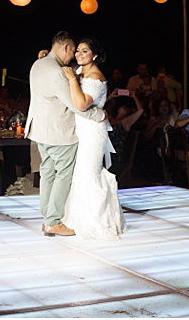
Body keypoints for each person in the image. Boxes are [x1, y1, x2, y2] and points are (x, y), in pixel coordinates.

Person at [27, 32, 107, 237]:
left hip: (41, 131)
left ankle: (47, 218)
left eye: (82, 51)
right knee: (62, 175)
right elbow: (77, 106)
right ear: (64, 48)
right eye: (73, 50)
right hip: (59, 133)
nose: (74, 56)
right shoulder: (57, 72)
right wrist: (99, 114)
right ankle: (53, 221)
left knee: (48, 173)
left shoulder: (39, 64)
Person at [55, 38, 126, 239]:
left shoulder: (95, 77)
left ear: (94, 56)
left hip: (93, 131)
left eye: (84, 51)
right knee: (79, 175)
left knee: (90, 174)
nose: (78, 54)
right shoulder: (79, 70)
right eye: (77, 50)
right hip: (81, 129)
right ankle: (77, 219)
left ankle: (98, 222)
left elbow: (82, 104)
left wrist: (71, 80)